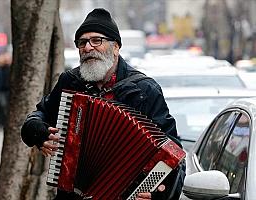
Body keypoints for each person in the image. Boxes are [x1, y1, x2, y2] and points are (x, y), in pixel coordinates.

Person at [21, 8, 185, 200]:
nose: (88, 47)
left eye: (96, 40)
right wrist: (38, 132)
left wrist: (155, 194)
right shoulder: (70, 82)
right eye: (82, 43)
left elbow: (173, 154)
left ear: (116, 47)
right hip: (72, 194)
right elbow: (37, 117)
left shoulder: (144, 90)